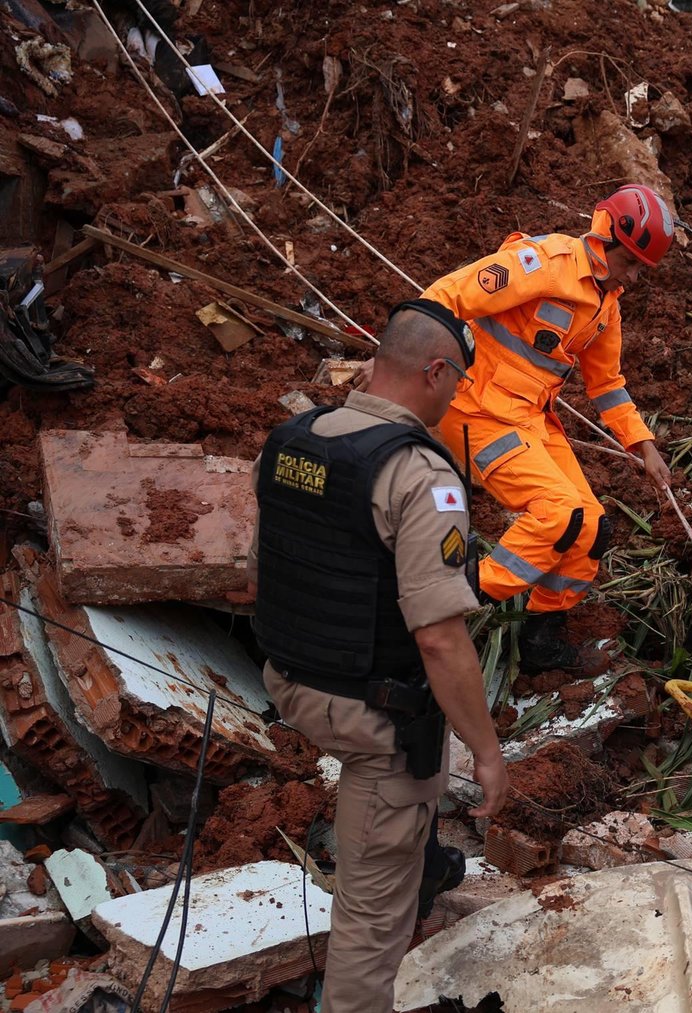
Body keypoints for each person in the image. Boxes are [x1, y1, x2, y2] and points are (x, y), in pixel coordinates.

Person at [250, 301, 510, 1013]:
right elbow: (438, 636)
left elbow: (263, 566)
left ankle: (419, 862)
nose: (457, 395)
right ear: (434, 370)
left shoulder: (295, 440)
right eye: (457, 381)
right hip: (374, 717)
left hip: (289, 677)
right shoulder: (422, 476)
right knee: (370, 921)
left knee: (400, 842)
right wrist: (485, 752)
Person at [417, 184, 677, 670]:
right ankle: (446, 602)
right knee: (557, 515)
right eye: (633, 263)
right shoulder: (544, 262)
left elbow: (607, 384)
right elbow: (447, 296)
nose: (637, 277)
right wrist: (406, 362)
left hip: (530, 418)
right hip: (477, 408)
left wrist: (642, 444)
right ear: (607, 239)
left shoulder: (607, 304)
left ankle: (540, 640)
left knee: (590, 527)